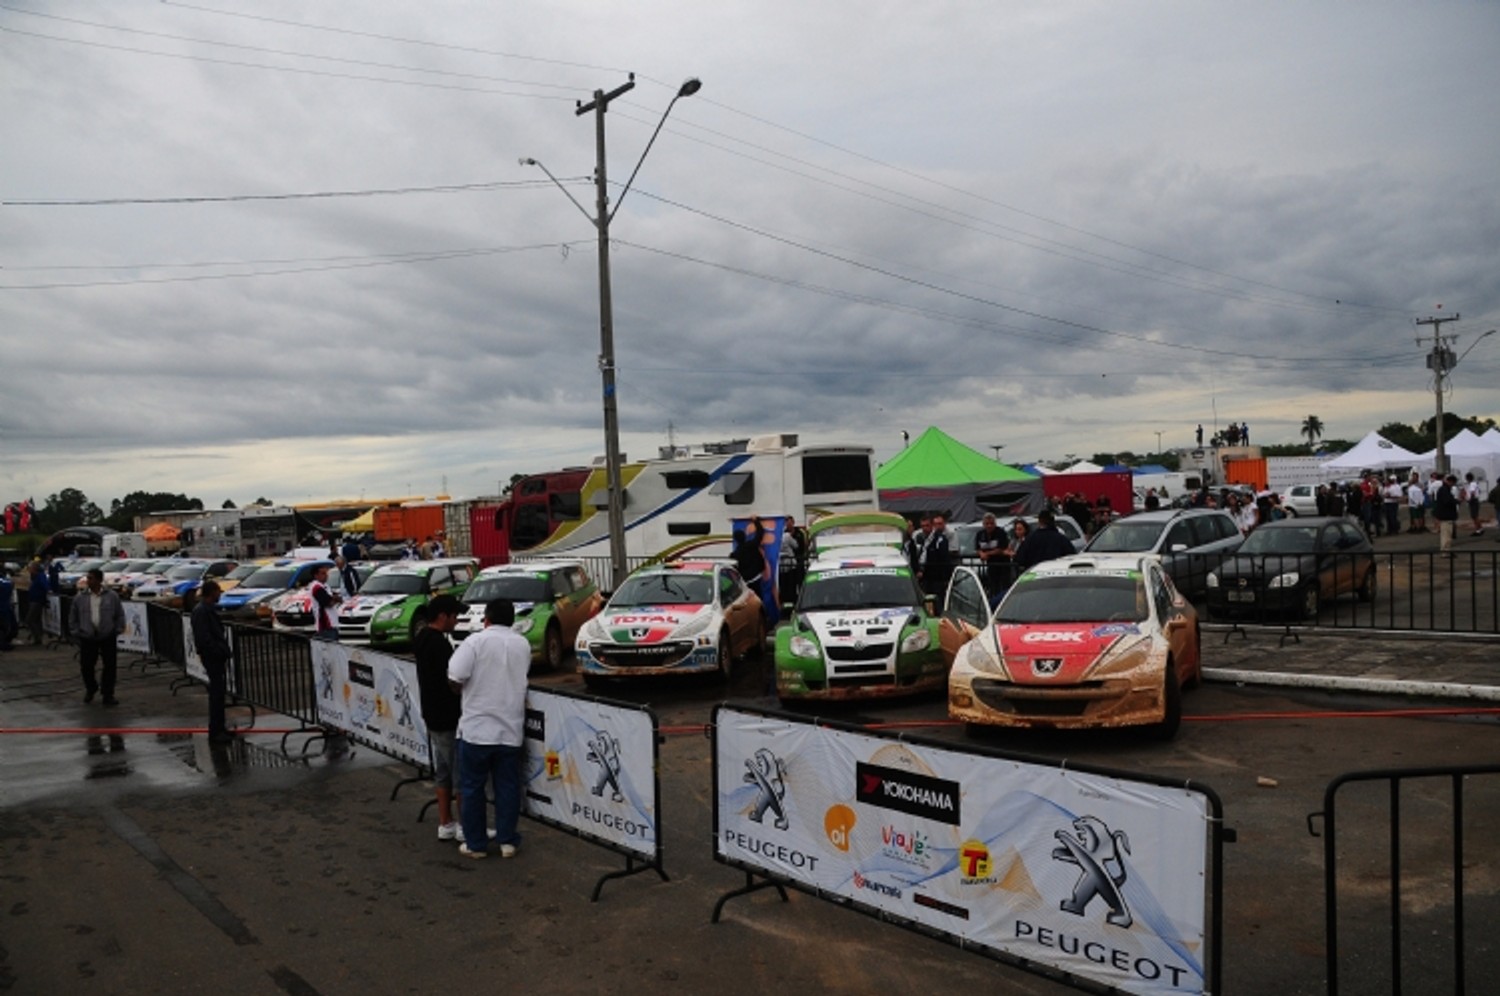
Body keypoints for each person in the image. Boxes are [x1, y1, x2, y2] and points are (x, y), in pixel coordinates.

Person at [448, 599, 530, 860]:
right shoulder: (522, 644)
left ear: (487, 619)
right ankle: (508, 841)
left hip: (477, 730)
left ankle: (476, 844)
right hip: (510, 729)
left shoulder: (475, 641)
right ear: (512, 620)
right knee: (508, 787)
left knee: (472, 788)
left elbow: (455, 676)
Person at [415, 594, 464, 842]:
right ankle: (466, 826)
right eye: (455, 616)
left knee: (443, 772)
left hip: (432, 714)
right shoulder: (439, 644)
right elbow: (452, 680)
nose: (457, 620)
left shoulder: (422, 638)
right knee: (460, 773)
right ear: (443, 616)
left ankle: (446, 822)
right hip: (447, 716)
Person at [69, 568, 126, 706]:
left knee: (110, 666)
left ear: (99, 580)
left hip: (107, 636)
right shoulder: (80, 598)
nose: (88, 581)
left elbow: (120, 614)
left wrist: (117, 629)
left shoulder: (111, 596)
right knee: (86, 666)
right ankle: (91, 687)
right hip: (87, 636)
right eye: (88, 578)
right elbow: (73, 616)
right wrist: (76, 632)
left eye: (91, 578)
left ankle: (108, 694)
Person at [191, 580, 235, 743]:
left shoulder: (206, 610)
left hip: (214, 656)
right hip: (212, 657)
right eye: (218, 592)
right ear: (212, 592)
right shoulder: (202, 612)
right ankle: (216, 731)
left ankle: (220, 728)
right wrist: (217, 651)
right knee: (216, 695)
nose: (220, 595)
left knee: (219, 694)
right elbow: (204, 638)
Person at [972, 513, 1009, 596]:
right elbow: (977, 548)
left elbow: (1001, 549)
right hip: (990, 565)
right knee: (993, 586)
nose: (989, 526)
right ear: (983, 524)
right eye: (987, 524)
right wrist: (981, 553)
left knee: (1003, 586)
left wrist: (987, 554)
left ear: (995, 523)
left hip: (1003, 565)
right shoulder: (980, 534)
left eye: (991, 523)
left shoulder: (1001, 532)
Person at [777, 515, 808, 609]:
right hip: (786, 565)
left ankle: (799, 600)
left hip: (798, 562)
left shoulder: (799, 532)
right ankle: (788, 602)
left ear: (793, 522)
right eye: (786, 522)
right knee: (787, 584)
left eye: (790, 522)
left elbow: (801, 546)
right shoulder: (783, 534)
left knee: (799, 582)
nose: (788, 524)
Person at [921, 515, 953, 600]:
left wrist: (946, 577)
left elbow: (944, 557)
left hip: (937, 577)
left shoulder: (940, 539)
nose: (925, 528)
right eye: (922, 526)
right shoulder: (922, 538)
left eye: (927, 525)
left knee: (938, 599)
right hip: (927, 577)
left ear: (932, 526)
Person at [308, 563, 342, 640]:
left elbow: (334, 598)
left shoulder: (325, 585)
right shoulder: (316, 587)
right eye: (323, 573)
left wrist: (334, 598)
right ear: (316, 575)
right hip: (326, 624)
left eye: (326, 573)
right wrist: (335, 599)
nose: (326, 575)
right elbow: (328, 602)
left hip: (332, 623)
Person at [1433, 474, 1459, 557]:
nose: (1452, 484)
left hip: (1445, 515)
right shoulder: (1444, 490)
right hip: (1446, 515)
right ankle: (1445, 551)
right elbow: (1447, 501)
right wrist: (1456, 501)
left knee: (1446, 534)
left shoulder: (1444, 489)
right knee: (1446, 534)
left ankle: (1446, 550)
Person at [23, 561, 49, 645]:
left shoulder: (40, 576)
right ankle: (38, 637)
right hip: (34, 599)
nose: (29, 570)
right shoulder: (35, 576)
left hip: (37, 600)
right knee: (36, 619)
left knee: (30, 619)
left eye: (30, 568)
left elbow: (45, 586)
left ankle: (37, 636)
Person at [0, 568, 16, 652]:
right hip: (5, 606)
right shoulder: (6, 582)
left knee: (3, 627)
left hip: (3, 606)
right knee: (4, 626)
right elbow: (11, 585)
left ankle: (3, 643)